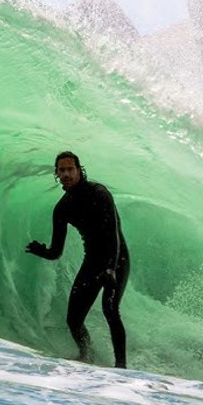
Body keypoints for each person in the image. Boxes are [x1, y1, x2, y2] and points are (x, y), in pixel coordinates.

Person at [25, 151, 130, 368]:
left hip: (117, 258)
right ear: (56, 173)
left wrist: (111, 268)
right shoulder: (62, 208)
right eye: (61, 170)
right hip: (93, 261)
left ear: (79, 170)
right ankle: (86, 355)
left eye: (70, 169)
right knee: (73, 320)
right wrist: (41, 251)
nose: (66, 174)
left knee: (109, 308)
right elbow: (56, 252)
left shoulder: (99, 193)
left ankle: (121, 366)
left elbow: (113, 235)